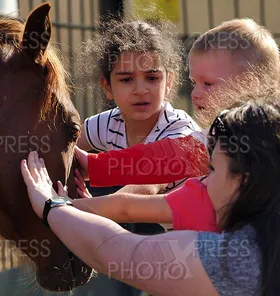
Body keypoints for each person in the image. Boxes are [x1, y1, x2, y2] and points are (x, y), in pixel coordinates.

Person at [21, 98, 280, 296]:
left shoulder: (240, 260)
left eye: (211, 170)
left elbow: (123, 253)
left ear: (243, 182)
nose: (203, 181)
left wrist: (51, 206)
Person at [72, 18, 280, 233]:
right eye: (194, 83)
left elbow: (160, 164)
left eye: (207, 83)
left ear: (249, 84)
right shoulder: (213, 136)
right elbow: (159, 160)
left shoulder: (231, 140)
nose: (195, 94)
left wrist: (73, 203)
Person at [75, 17, 200, 154]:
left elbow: (145, 167)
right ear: (107, 87)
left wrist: (90, 165)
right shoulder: (107, 124)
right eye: (126, 80)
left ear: (168, 82)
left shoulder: (180, 131)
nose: (140, 91)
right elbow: (62, 148)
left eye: (152, 78)